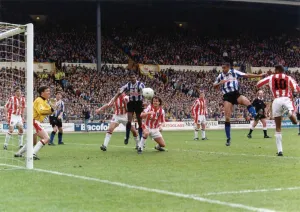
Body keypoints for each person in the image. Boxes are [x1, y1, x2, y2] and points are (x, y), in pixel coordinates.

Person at [213, 62, 264, 146]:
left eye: (224, 68)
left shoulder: (234, 72)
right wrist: (220, 83)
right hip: (227, 96)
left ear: (228, 67)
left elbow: (246, 75)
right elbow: (214, 85)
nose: (223, 70)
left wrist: (259, 75)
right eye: (222, 68)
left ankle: (255, 116)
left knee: (247, 102)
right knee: (227, 118)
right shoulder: (220, 76)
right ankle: (228, 139)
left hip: (236, 93)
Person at [256, 65, 300, 156]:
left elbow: (258, 84)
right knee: (295, 121)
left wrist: (270, 84)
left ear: (277, 70)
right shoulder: (288, 77)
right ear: (283, 71)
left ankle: (280, 151)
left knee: (278, 127)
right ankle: (289, 113)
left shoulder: (271, 77)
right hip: (286, 99)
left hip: (276, 101)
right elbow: (297, 89)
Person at [15, 86, 56, 160]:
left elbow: (49, 111)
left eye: (49, 91)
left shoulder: (45, 101)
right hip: (34, 121)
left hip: (33, 121)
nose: (49, 92)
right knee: (46, 138)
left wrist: (52, 108)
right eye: (47, 91)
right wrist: (52, 109)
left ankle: (19, 153)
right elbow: (41, 111)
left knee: (33, 142)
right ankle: (32, 154)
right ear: (42, 93)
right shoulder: (39, 100)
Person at [119, 72, 145, 145]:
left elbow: (144, 91)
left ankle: (141, 139)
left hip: (138, 103)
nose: (133, 79)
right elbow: (121, 89)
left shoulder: (140, 84)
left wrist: (140, 92)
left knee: (140, 122)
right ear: (130, 78)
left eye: (134, 77)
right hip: (131, 103)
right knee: (129, 121)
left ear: (136, 77)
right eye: (131, 78)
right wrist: (120, 91)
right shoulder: (128, 84)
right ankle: (127, 137)